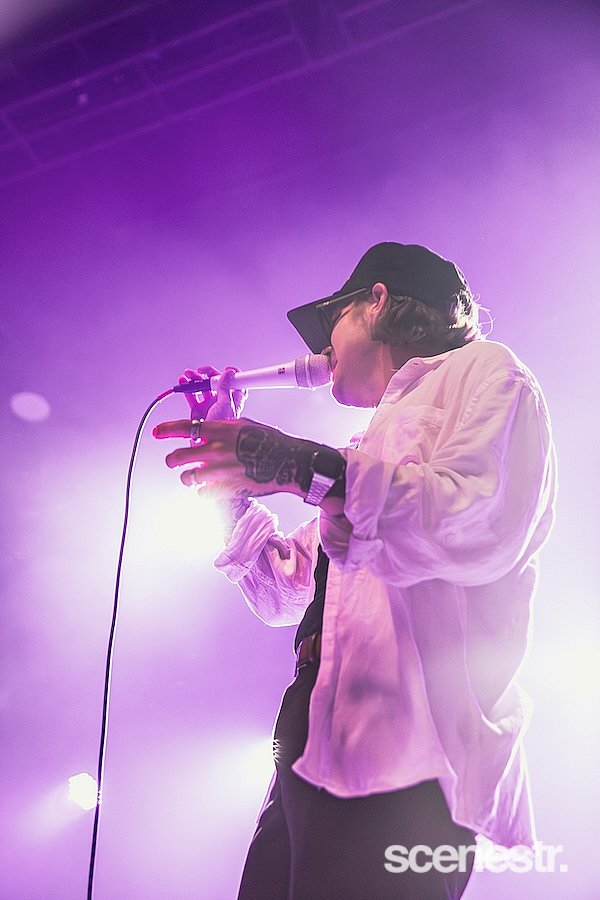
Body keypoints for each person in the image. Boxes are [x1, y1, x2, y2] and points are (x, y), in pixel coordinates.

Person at [154, 243, 557, 899]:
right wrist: (233, 482)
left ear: (376, 302)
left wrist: (299, 464)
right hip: (320, 722)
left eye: (329, 322)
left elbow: (474, 515)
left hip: (411, 743)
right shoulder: (374, 443)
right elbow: (284, 590)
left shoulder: (490, 372)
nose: (321, 348)